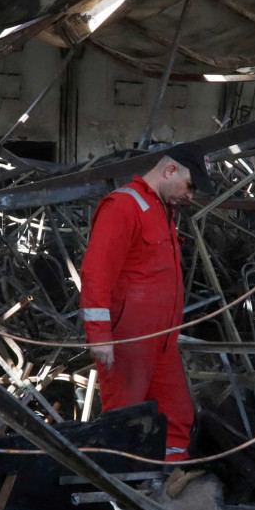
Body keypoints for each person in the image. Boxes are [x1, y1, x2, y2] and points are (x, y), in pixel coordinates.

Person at [79, 144, 214, 461]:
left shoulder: (161, 211)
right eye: (190, 185)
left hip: (162, 342)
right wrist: (99, 336)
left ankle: (168, 486)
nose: (191, 196)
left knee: (177, 416)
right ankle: (121, 495)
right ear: (170, 170)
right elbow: (96, 273)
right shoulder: (123, 206)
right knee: (125, 422)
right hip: (130, 342)